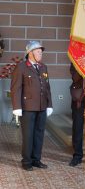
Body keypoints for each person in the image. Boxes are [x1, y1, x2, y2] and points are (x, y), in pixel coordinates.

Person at [10, 41, 53, 171]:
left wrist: (49, 104)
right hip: (27, 107)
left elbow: (47, 88)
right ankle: (27, 161)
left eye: (41, 51)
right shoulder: (22, 67)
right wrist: (16, 107)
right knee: (28, 135)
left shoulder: (43, 67)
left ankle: (36, 159)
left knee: (39, 134)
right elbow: (15, 88)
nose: (41, 53)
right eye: (38, 51)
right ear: (30, 53)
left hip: (41, 106)